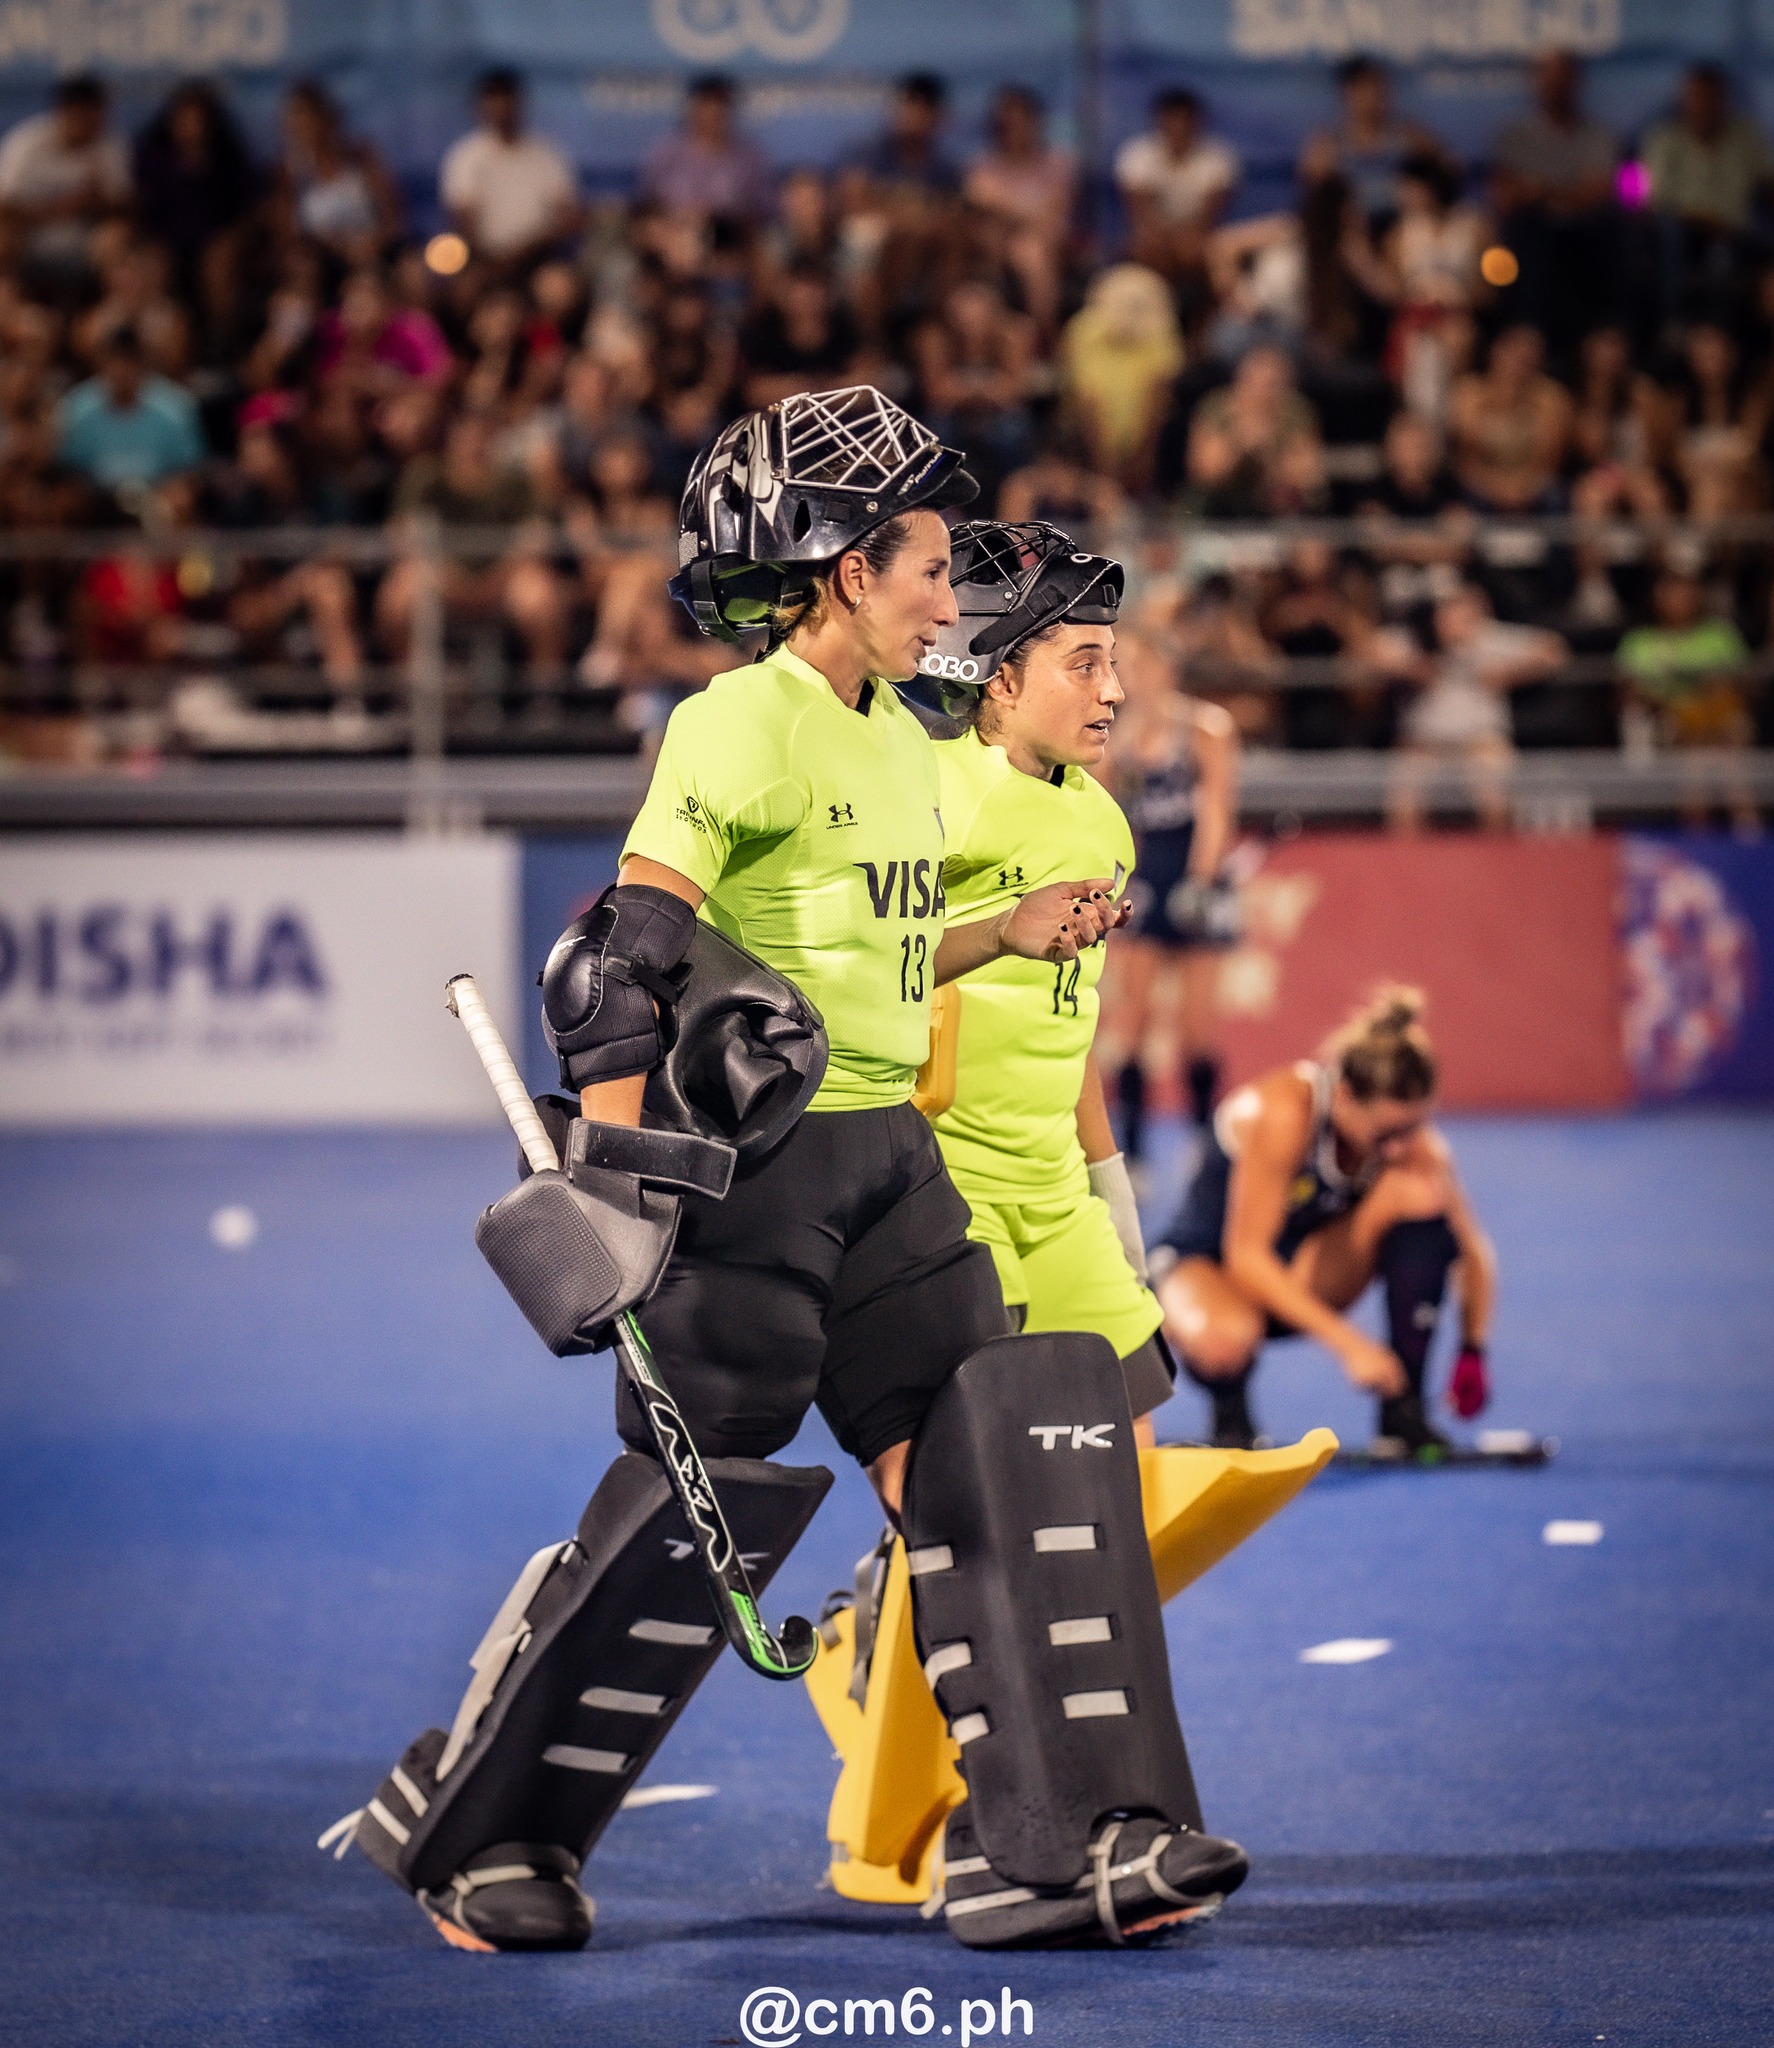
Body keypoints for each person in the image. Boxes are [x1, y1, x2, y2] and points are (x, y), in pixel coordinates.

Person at [336, 386, 1248, 1953]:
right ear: (843, 570)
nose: (948, 596)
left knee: (1004, 1463)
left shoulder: (900, 739)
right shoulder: (737, 723)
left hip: (891, 1163)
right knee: (704, 1520)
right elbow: (617, 963)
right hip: (748, 1182)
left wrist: (998, 932)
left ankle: (1061, 1847)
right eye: (925, 563)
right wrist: (622, 1182)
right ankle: (483, 1840)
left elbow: (881, 951)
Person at [912, 520, 1174, 1447]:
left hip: (1057, 1198)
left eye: (1114, 664)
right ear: (1001, 678)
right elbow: (854, 966)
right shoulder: (923, 790)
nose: (1115, 690)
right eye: (1085, 664)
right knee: (980, 1471)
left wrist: (1112, 1192)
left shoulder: (1106, 821)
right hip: (947, 1193)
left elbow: (1074, 1033)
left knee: (1131, 1453)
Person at [1150, 986, 1497, 1454]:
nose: (1399, 1147)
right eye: (1388, 1132)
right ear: (1346, 1096)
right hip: (1207, 1262)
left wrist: (1473, 1349)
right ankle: (1232, 1418)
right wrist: (1350, 1345)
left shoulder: (1412, 1144)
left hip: (1296, 1266)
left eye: (1412, 1128)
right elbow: (1246, 1256)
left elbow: (1471, 1250)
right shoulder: (1286, 1111)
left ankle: (1404, 1411)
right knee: (1225, 1339)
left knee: (1418, 1193)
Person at [1103, 627, 1238, 1158]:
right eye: (1125, 665)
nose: (1131, 675)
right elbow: (1110, 811)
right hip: (1146, 879)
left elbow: (1216, 808)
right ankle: (1132, 1152)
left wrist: (1202, 882)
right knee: (1130, 1020)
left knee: (1197, 1027)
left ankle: (1204, 1143)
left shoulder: (1206, 727)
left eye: (1140, 663)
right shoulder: (1116, 734)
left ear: (1166, 667)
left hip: (1195, 879)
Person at [1387, 583, 1567, 832]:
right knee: (1403, 804)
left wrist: (1508, 675)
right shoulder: (1420, 638)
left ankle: (1497, 865)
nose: (1453, 622)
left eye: (1462, 616)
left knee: (1496, 800)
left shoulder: (1491, 639)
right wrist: (1416, 669)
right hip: (1424, 744)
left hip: (1481, 742)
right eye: (1448, 615)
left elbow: (1554, 649)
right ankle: (1406, 867)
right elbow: (1371, 652)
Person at [1489, 50, 1619, 354]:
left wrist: (1543, 191)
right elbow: (1506, 197)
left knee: (1614, 227)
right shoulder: (1515, 135)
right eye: (1547, 77)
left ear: (1576, 82)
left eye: (1562, 78)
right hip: (1533, 232)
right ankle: (1528, 335)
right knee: (1522, 233)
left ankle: (1605, 337)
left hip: (1587, 231)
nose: (1554, 86)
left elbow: (1601, 191)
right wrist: (1565, 193)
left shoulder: (1598, 134)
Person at [0, 74, 130, 291]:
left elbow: (125, 209)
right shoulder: (26, 144)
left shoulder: (110, 145)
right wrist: (60, 208)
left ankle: (111, 315)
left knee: (117, 237)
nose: (93, 125)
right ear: (66, 113)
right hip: (31, 238)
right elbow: (5, 208)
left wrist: (97, 201)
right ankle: (7, 305)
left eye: (97, 117)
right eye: (85, 118)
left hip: (87, 243)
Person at [440, 69, 581, 268]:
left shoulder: (547, 155)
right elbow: (462, 219)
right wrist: (493, 258)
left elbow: (567, 218)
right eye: (494, 100)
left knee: (557, 287)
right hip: (483, 260)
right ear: (480, 106)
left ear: (520, 103)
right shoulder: (465, 156)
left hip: (540, 257)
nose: (502, 108)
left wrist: (527, 249)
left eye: (507, 99)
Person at [1115, 87, 1238, 312]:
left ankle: (1203, 332)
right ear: (1159, 121)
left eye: (1185, 120)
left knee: (1208, 256)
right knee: (1147, 251)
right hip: (1154, 236)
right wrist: (1164, 241)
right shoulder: (1138, 155)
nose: (1178, 128)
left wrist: (1186, 241)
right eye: (1172, 120)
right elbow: (1142, 214)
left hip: (1198, 236)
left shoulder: (1218, 158)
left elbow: (1207, 217)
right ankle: (1155, 325)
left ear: (1197, 123)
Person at [55, 326, 204, 497]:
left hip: (157, 497)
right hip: (95, 499)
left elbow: (190, 469)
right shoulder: (77, 408)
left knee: (180, 497)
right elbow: (67, 469)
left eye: (130, 364)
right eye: (115, 363)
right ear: (101, 364)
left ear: (143, 365)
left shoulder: (175, 408)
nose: (122, 371)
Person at [641, 73, 772, 229]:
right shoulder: (666, 153)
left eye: (721, 104)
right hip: (675, 236)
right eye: (707, 103)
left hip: (731, 241)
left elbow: (764, 212)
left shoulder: (749, 158)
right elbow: (647, 206)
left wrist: (721, 216)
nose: (714, 112)